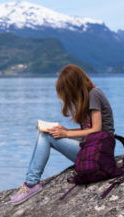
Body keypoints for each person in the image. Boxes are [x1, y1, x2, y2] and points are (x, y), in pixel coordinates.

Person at [10, 64, 115, 205]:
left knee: (45, 136)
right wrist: (66, 131)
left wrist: (66, 133)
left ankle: (31, 184)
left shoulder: (94, 94)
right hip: (91, 151)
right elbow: (89, 134)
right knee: (45, 133)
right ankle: (30, 183)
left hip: (99, 155)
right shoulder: (88, 95)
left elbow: (96, 130)